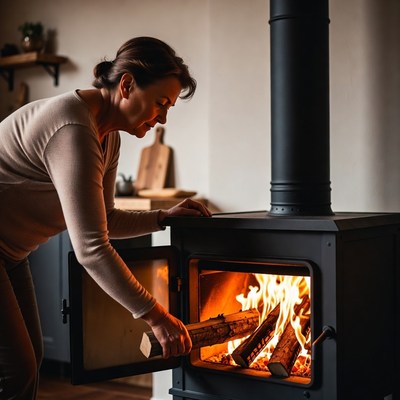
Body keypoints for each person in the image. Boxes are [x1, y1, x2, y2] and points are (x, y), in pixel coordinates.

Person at [0, 36, 212, 399]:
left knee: (29, 362)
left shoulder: (107, 135)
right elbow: (92, 247)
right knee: (17, 367)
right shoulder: (73, 128)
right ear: (127, 85)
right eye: (161, 103)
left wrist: (163, 217)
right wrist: (156, 316)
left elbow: (107, 219)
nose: (162, 118)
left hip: (11, 253)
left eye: (169, 108)